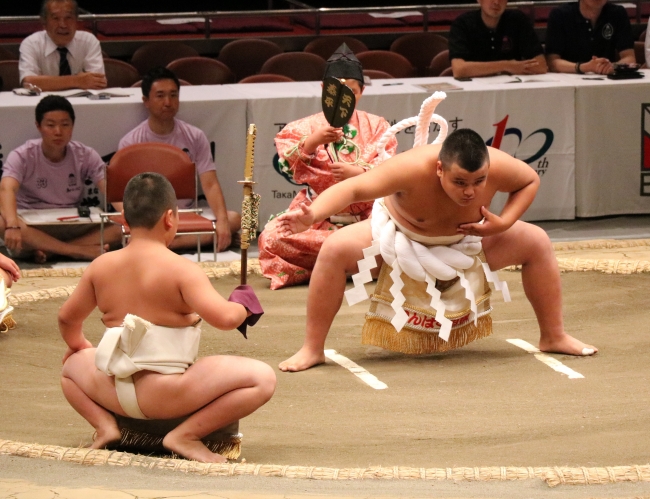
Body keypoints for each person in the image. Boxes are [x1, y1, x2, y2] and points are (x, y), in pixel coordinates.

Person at [275, 128, 598, 372]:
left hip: (470, 241)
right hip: (398, 241)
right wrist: (313, 215)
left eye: (479, 182)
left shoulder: (498, 165)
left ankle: (553, 335)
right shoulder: (411, 169)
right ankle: (312, 348)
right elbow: (353, 187)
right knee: (333, 248)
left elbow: (528, 181)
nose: (470, 192)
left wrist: (504, 222)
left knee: (537, 241)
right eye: (460, 182)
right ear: (440, 168)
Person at [59, 172, 275, 463]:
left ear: (124, 219)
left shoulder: (100, 267)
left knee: (70, 368)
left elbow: (66, 319)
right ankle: (185, 435)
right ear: (170, 218)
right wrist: (243, 303)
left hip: (112, 390)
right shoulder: (181, 270)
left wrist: (80, 346)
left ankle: (105, 426)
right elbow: (225, 319)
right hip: (168, 394)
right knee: (262, 379)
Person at [258, 44, 398, 290]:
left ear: (361, 92)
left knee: (396, 240)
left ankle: (335, 263)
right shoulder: (306, 126)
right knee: (271, 237)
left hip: (367, 220)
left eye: (352, 91)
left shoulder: (377, 125)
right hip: (317, 219)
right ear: (325, 90)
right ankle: (350, 265)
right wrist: (312, 141)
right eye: (338, 91)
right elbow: (288, 163)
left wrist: (360, 174)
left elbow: (390, 167)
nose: (345, 97)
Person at [118, 67, 240, 252]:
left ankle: (160, 245)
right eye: (160, 96)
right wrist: (134, 223)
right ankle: (179, 242)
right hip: (148, 218)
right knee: (114, 229)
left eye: (173, 95)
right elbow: (122, 193)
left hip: (185, 214)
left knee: (234, 219)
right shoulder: (131, 141)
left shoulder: (195, 136)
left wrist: (222, 223)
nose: (168, 102)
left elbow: (210, 184)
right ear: (146, 101)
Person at [0, 95, 120, 262]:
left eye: (65, 125)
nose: (58, 131)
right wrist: (12, 224)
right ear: (38, 126)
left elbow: (110, 188)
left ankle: (53, 250)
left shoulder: (84, 154)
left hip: (73, 224)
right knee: (1, 221)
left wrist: (128, 215)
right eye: (50, 125)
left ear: (72, 126)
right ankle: (77, 250)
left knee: (123, 224)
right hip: (32, 226)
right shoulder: (22, 155)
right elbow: (7, 188)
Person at [19, 0, 106, 91]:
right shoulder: (31, 44)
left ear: (76, 20)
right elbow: (28, 83)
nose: (63, 25)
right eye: (56, 18)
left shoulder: (88, 41)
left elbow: (98, 82)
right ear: (44, 22)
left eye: (68, 18)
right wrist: (77, 80)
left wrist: (46, 82)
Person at [448, 0, 547, 78]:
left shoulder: (518, 20)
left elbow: (541, 65)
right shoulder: (462, 24)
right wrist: (507, 66)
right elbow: (459, 69)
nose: (496, 2)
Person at [545, 0, 635, 75]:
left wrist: (611, 67)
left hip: (606, 79)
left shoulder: (617, 13)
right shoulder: (560, 15)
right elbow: (552, 62)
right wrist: (584, 67)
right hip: (569, 79)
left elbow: (630, 58)